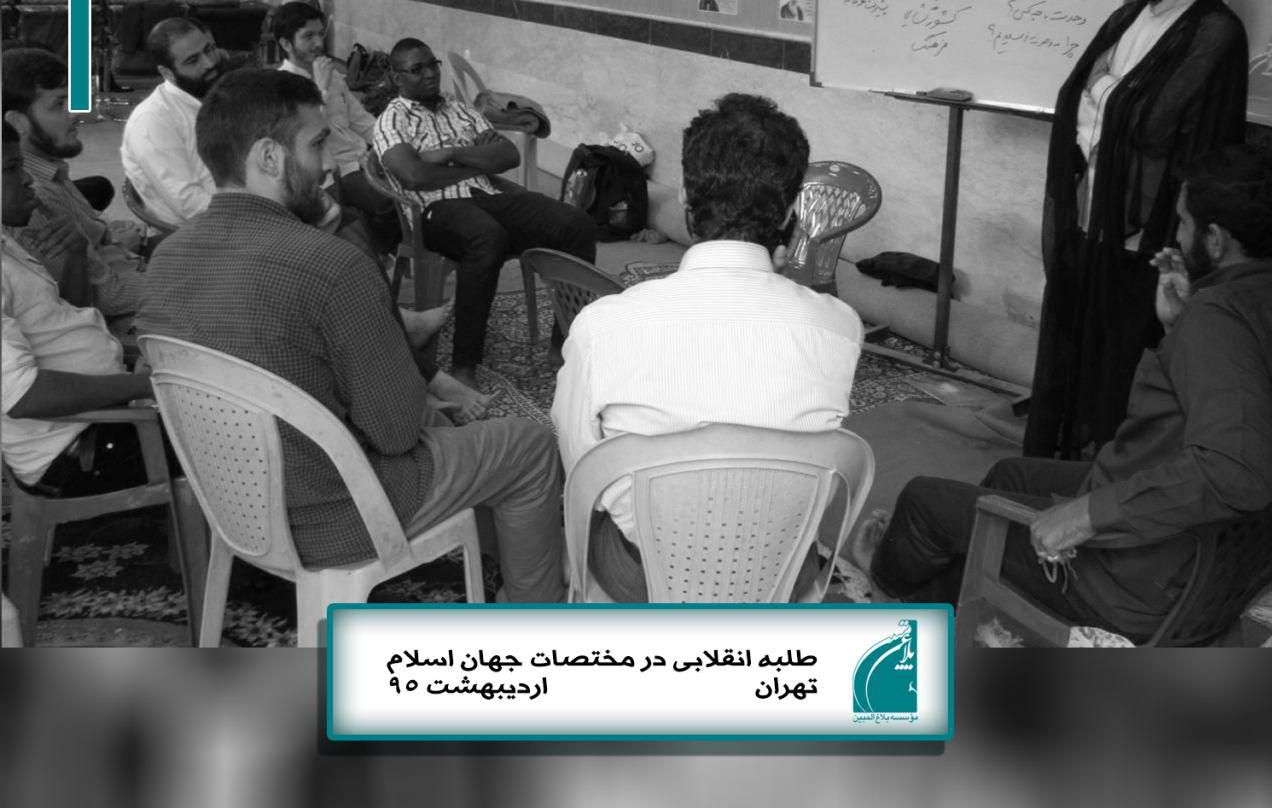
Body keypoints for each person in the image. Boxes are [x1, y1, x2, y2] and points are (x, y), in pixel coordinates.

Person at [137, 69, 565, 597]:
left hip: (233, 505)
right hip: (342, 516)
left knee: (437, 417)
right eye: (316, 143)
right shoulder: (332, 266)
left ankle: (494, 548)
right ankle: (537, 611)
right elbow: (396, 434)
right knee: (529, 445)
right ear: (270, 157)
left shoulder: (166, 259)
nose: (326, 165)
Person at [855, 143, 1272, 643]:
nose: (1178, 237)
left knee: (923, 501)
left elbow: (1236, 471)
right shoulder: (1250, 301)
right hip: (1205, 555)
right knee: (1011, 474)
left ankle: (887, 609)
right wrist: (1179, 326)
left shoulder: (1218, 319)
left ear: (1216, 239)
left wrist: (1089, 515)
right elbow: (1233, 392)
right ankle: (960, 589)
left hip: (1134, 578)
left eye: (1185, 224)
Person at [551, 92, 864, 601]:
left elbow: (583, 471)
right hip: (779, 577)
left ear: (685, 201)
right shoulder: (840, 326)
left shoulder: (603, 325)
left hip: (646, 581)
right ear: (790, 211)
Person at [1025, 0, 1249, 459]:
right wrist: (1109, 100)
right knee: (1075, 348)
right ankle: (1061, 460)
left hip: (1145, 237)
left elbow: (1158, 125)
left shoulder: (1214, 32)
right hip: (1089, 216)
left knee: (1122, 361)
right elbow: (1082, 105)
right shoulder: (1125, 19)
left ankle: (1105, 472)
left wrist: (1107, 93)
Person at [372, 37, 596, 386]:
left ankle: (564, 343)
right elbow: (414, 175)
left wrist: (449, 154)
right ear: (398, 77)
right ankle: (464, 364)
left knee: (575, 223)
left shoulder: (461, 111)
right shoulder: (392, 121)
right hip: (434, 211)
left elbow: (508, 156)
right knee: (486, 237)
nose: (430, 74)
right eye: (417, 69)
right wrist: (475, 161)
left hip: (488, 196)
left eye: (433, 65)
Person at [1, 122, 155, 496]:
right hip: (74, 451)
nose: (27, 179)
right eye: (11, 168)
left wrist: (74, 255)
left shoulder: (6, 241)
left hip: (100, 417)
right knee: (237, 430)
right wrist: (150, 384)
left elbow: (67, 316)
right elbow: (22, 396)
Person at [3, 48, 146, 325]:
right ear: (17, 122)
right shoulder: (31, 196)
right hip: (125, 315)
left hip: (131, 273)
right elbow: (104, 297)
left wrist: (107, 234)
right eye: (58, 105)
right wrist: (180, 283)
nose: (75, 114)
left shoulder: (49, 166)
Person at [274, 1, 399, 252]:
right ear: (286, 44)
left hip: (363, 159)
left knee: (416, 180)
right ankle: (382, 256)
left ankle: (400, 252)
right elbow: (303, 134)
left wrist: (394, 142)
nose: (318, 43)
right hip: (333, 173)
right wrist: (320, 87)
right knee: (390, 202)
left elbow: (362, 121)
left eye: (320, 34)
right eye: (308, 36)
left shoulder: (333, 76)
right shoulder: (281, 85)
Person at [120, 18, 227, 228]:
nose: (209, 63)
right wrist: (257, 220)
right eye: (193, 60)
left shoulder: (217, 96)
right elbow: (190, 205)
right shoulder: (153, 121)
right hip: (202, 234)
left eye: (209, 49)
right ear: (167, 73)